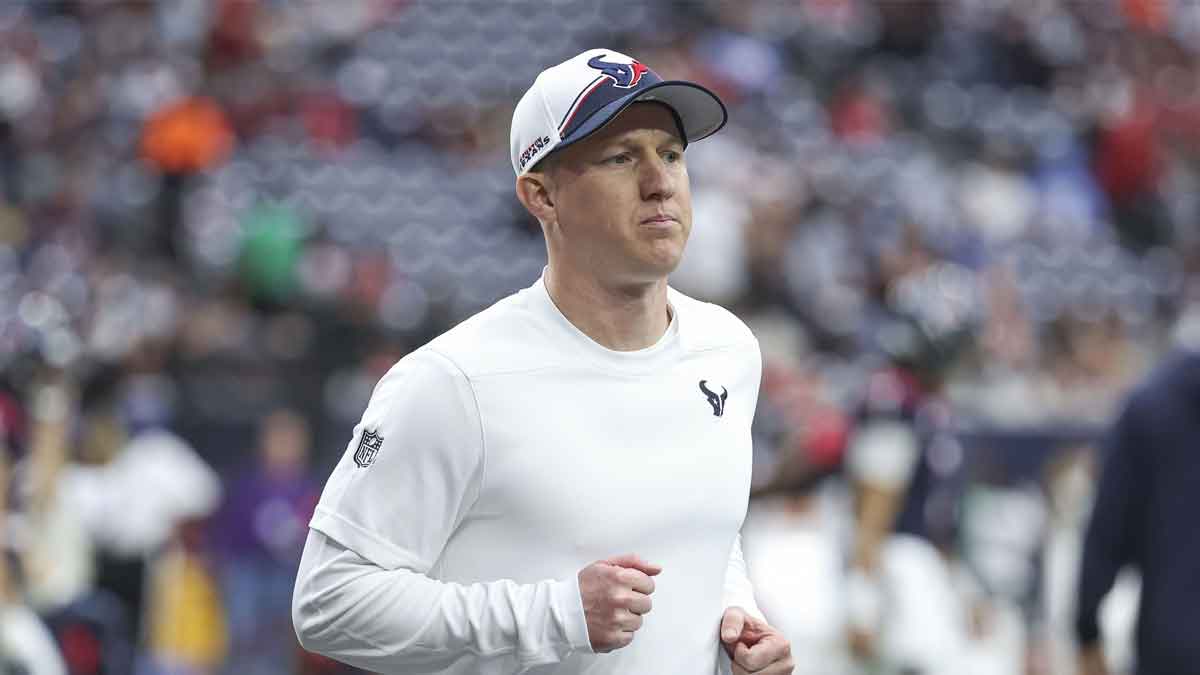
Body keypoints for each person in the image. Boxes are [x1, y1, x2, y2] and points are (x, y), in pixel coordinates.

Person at [291, 48, 794, 674]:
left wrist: (737, 623)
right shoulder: (456, 381)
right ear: (542, 197)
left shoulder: (728, 349)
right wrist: (554, 615)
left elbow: (704, 537)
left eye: (670, 153)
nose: (660, 181)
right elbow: (328, 603)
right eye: (620, 157)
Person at [1075, 349, 1200, 675]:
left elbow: (1108, 531)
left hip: (1172, 643)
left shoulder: (1153, 402)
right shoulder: (1153, 404)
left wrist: (1087, 629)